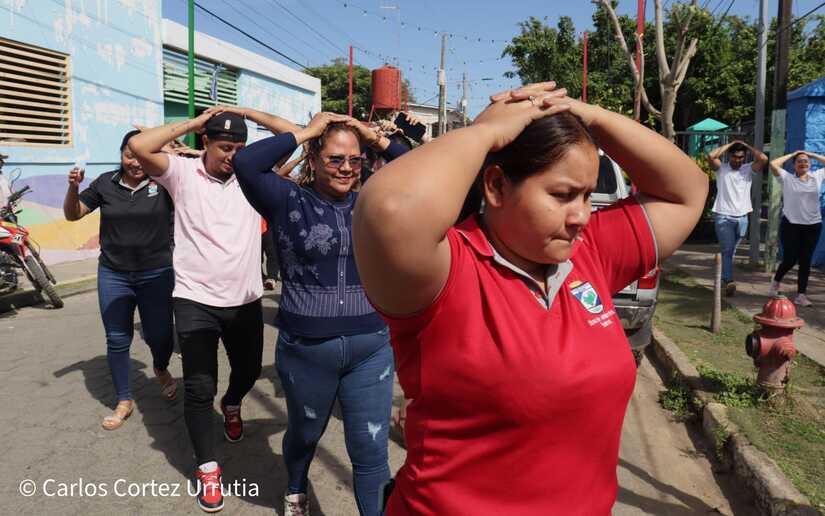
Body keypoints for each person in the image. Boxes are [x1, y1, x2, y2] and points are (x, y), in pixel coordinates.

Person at [352, 82, 708, 515]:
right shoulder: (446, 271)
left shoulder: (589, 252)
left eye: (587, 196)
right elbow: (390, 207)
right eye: (562, 195)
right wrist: (485, 133)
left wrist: (587, 116)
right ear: (497, 186)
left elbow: (687, 191)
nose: (581, 216)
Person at [232, 111, 408, 516]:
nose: (347, 168)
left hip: (372, 349)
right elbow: (246, 162)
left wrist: (373, 139)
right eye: (335, 159)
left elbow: (420, 169)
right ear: (313, 159)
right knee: (306, 434)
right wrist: (307, 132)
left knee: (371, 452)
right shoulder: (287, 199)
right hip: (307, 350)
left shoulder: (374, 201)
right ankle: (296, 487)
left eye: (355, 160)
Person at [128, 106, 299, 513]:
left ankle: (233, 402)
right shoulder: (180, 173)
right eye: (225, 147)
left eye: (239, 148)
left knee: (248, 371)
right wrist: (193, 122)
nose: (232, 156)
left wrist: (244, 111)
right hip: (194, 299)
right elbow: (139, 145)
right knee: (200, 387)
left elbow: (296, 132)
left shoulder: (253, 177)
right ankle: (208, 468)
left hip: (245, 300)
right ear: (205, 142)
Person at [63, 130, 176, 430]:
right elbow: (73, 214)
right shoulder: (105, 183)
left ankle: (160, 366)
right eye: (129, 155)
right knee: (116, 338)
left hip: (157, 273)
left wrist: (171, 151)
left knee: (160, 335)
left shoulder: (165, 182)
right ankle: (124, 399)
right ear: (121, 155)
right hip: (114, 273)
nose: (135, 162)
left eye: (141, 156)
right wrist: (73, 188)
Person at [707, 140, 768, 296]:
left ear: (744, 157)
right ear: (729, 156)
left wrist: (746, 145)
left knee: (731, 250)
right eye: (734, 156)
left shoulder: (748, 169)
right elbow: (711, 156)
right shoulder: (721, 168)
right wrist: (732, 143)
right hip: (723, 216)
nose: (737, 160)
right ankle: (728, 281)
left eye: (741, 157)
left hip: (742, 218)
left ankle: (723, 273)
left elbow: (763, 159)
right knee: (727, 250)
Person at [768, 150, 825, 306]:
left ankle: (801, 295)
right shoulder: (786, 178)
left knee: (806, 261)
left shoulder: (817, 176)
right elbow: (773, 164)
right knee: (790, 259)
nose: (803, 163)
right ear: (794, 165)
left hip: (813, 225)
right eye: (799, 161)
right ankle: (776, 281)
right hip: (791, 225)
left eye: (806, 161)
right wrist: (794, 153)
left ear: (810, 164)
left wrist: (811, 155)